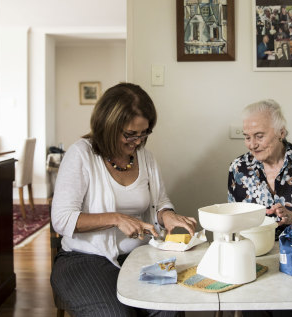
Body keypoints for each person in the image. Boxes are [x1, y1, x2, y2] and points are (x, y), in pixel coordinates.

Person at [50, 82, 196, 317]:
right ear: (108, 125)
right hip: (84, 259)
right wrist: (116, 219)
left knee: (169, 309)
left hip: (139, 256)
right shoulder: (81, 154)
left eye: (144, 133)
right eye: (130, 134)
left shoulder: (146, 158)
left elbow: (160, 201)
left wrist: (167, 215)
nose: (137, 141)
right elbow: (61, 219)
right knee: (114, 314)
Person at [227, 99, 292, 240]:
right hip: (254, 250)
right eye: (247, 137)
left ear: (281, 133)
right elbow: (232, 221)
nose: (252, 145)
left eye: (259, 136)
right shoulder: (238, 168)